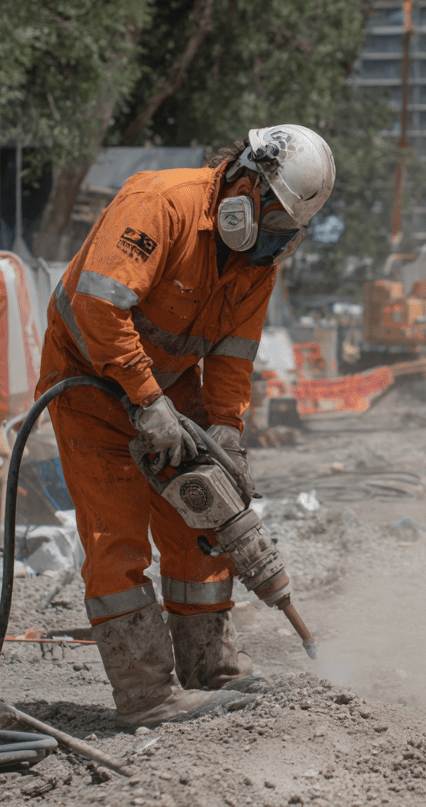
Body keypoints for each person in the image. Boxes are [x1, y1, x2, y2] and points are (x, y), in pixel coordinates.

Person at [35, 125, 336, 726]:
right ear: (246, 183)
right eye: (271, 221)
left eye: (285, 233)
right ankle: (146, 694)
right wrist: (146, 400)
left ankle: (210, 669)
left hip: (171, 395)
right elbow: (99, 305)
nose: (271, 241)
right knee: (117, 542)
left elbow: (232, 358)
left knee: (204, 525)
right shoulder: (161, 204)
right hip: (91, 384)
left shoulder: (257, 263)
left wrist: (225, 431)